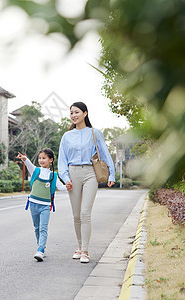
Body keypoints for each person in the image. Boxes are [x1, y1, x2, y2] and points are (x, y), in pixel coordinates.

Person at [58, 102, 115, 263]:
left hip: (90, 173)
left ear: (85, 113)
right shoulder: (66, 136)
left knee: (85, 213)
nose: (74, 115)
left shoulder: (95, 133)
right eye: (71, 113)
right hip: (72, 174)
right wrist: (65, 178)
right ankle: (79, 246)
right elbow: (62, 160)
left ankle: (85, 251)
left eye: (77, 112)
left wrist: (111, 175)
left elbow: (104, 153)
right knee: (76, 215)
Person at [17, 149, 67, 262]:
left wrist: (69, 186)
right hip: (33, 204)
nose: (41, 160)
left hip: (45, 206)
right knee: (37, 228)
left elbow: (61, 187)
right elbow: (28, 164)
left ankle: (40, 250)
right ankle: (41, 247)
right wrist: (24, 159)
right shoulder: (36, 171)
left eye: (44, 158)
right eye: (40, 158)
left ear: (51, 160)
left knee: (43, 228)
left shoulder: (53, 175)